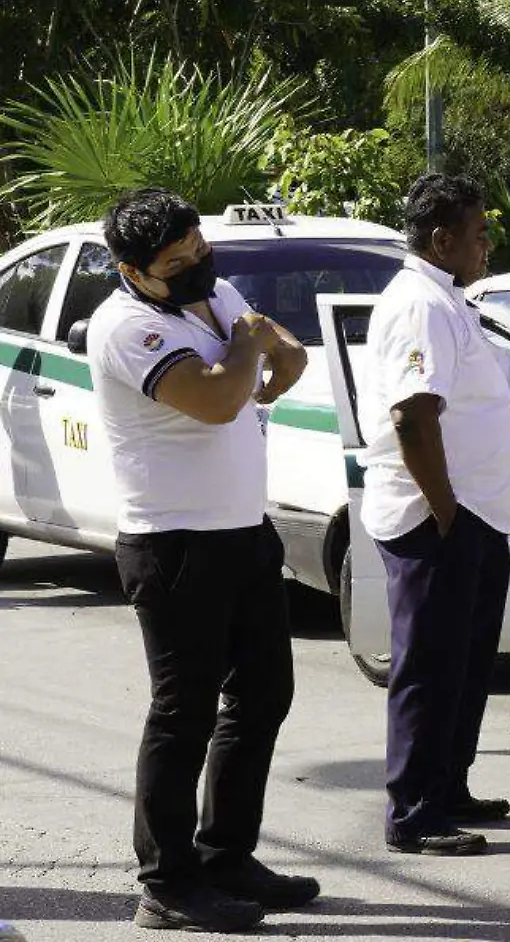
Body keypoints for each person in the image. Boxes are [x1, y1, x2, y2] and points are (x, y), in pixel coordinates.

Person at [90, 188, 316, 932]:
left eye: (198, 250)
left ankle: (225, 856)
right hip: (173, 543)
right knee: (182, 715)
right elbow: (218, 399)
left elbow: (288, 349)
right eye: (175, 263)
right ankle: (166, 882)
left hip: (242, 532)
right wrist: (251, 342)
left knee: (262, 698)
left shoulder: (209, 287)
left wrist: (265, 346)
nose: (195, 268)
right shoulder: (126, 324)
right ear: (133, 270)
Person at [363, 174, 510, 857]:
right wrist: (446, 512)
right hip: (437, 522)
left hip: (473, 519)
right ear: (443, 240)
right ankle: (415, 812)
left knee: (463, 664)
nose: (488, 243)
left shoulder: (445, 297)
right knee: (430, 668)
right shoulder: (420, 305)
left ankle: (448, 785)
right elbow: (412, 415)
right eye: (480, 231)